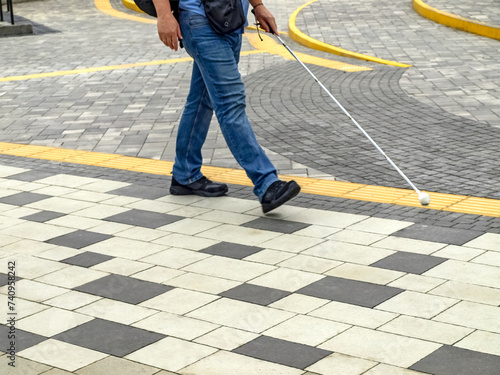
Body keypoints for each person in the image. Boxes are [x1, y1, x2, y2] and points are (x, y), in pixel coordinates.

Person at [152, 0, 300, 213]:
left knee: (202, 99)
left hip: (231, 20)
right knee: (230, 102)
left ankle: (185, 173)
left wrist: (257, 6)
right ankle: (266, 182)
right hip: (201, 22)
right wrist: (164, 14)